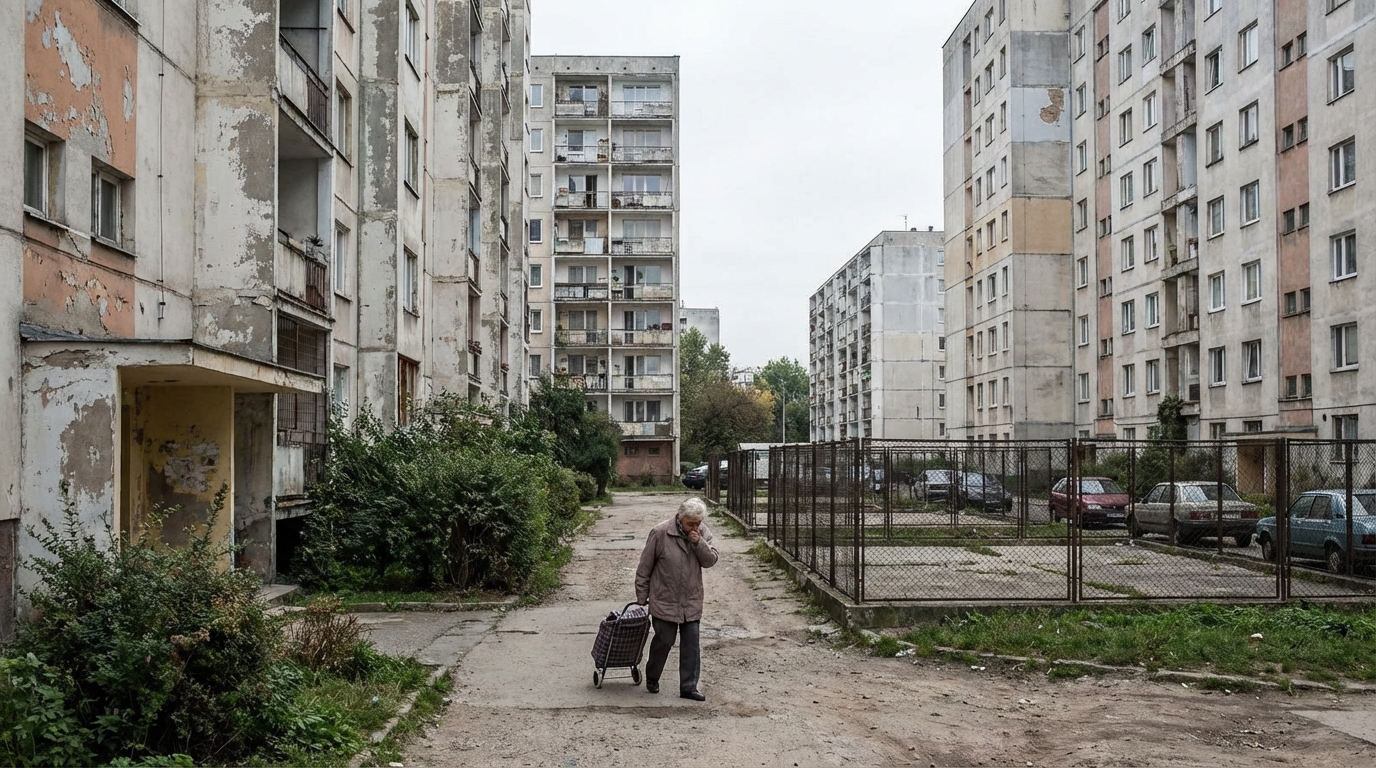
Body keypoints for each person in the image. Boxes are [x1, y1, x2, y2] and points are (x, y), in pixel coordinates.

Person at [634, 497, 719, 701]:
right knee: (664, 640)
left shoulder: (702, 533)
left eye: (697, 523)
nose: (695, 527)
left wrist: (698, 542)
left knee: (691, 644)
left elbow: (710, 561)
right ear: (680, 518)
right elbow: (644, 567)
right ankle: (653, 676)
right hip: (665, 598)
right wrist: (642, 597)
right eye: (690, 523)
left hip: (691, 598)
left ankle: (689, 687)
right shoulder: (660, 533)